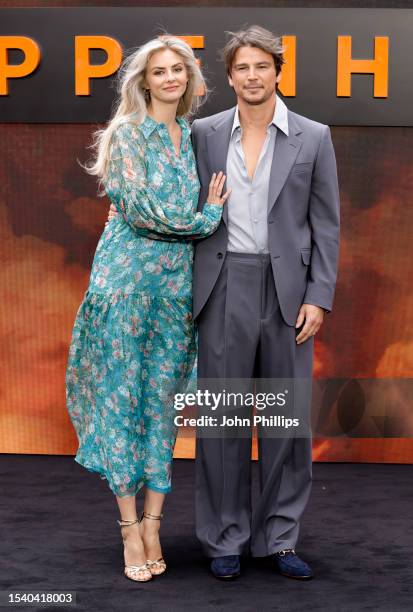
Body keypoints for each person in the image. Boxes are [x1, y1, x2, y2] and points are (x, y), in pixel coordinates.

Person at [66, 35, 229, 583]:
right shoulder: (125, 134)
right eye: (159, 71)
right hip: (124, 288)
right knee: (121, 401)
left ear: (189, 78)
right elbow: (141, 211)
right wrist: (205, 220)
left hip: (175, 291)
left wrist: (203, 221)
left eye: (177, 70)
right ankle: (128, 527)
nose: (169, 79)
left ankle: (155, 523)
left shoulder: (193, 136)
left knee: (161, 404)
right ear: (143, 81)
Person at [190, 25, 340, 580]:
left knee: (286, 421)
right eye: (242, 68)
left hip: (289, 294)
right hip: (222, 284)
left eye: (262, 66)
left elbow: (326, 225)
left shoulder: (313, 136)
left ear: (278, 71)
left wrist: (318, 297)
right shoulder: (202, 133)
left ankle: (280, 537)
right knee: (222, 420)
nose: (253, 76)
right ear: (229, 77)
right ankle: (225, 537)